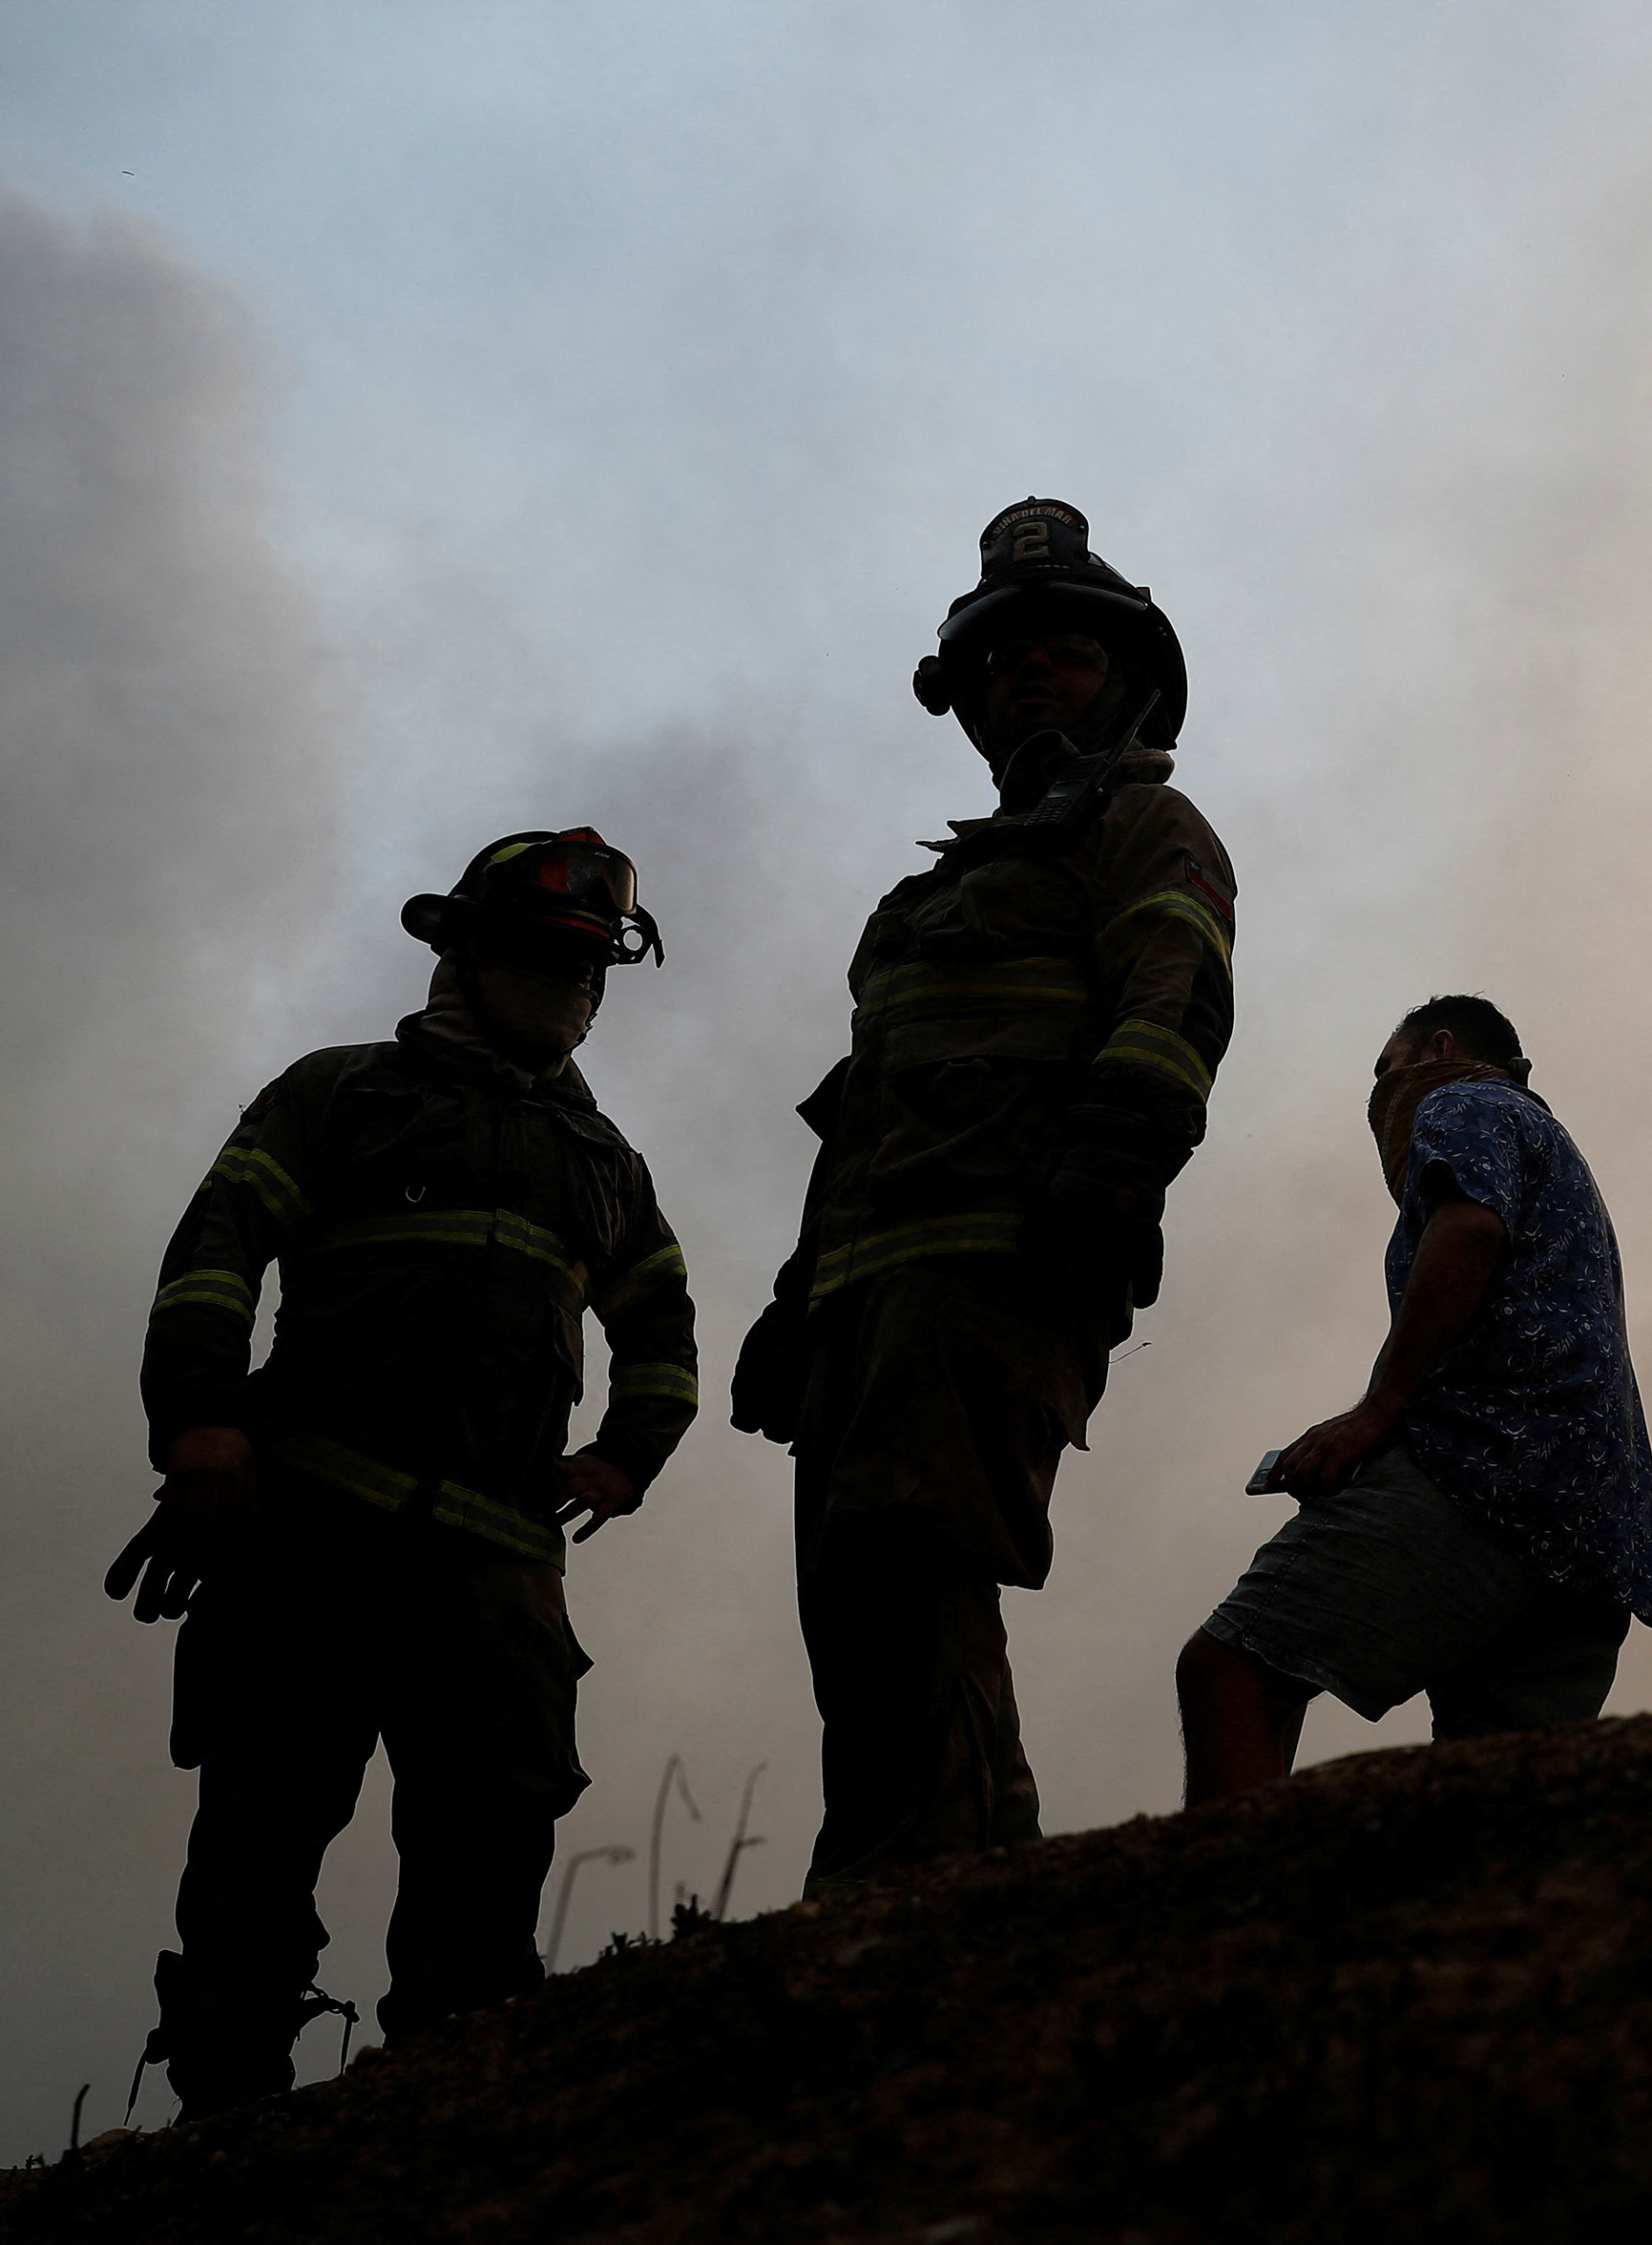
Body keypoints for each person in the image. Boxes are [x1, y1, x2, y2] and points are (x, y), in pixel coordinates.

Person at [113, 829, 697, 2120]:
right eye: (543, 956)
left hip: (496, 1577)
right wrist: (202, 1422)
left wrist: (624, 1453)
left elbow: (661, 1326)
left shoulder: (603, 1167)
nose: (567, 984)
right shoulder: (340, 1096)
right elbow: (217, 1249)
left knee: (487, 1864)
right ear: (467, 954)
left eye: (588, 965)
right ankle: (225, 2132)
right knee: (256, 1854)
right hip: (308, 1538)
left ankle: (451, 2123)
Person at [731, 494, 1236, 1886]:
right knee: (859, 1606)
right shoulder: (924, 902)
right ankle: (959, 1886)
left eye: (1068, 650)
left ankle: (906, 1896)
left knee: (914, 1567)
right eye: (1007, 653)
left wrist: (1103, 1187)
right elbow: (866, 1115)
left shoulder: (1141, 828)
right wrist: (795, 1295)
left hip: (1002, 1266)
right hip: (864, 1298)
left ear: (1125, 675)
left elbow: (1173, 998)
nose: (1031, 671)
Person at [1179, 995, 1652, 1801]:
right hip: (1597, 1530)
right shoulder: (1556, 1153)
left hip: (1488, 1466)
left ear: (1438, 1049)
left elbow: (1468, 1229)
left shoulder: (1464, 1099)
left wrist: (1376, 1411)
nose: (1380, 1097)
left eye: (1385, 1071)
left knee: (1233, 1669)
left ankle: (1233, 1922)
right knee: (1499, 1803)